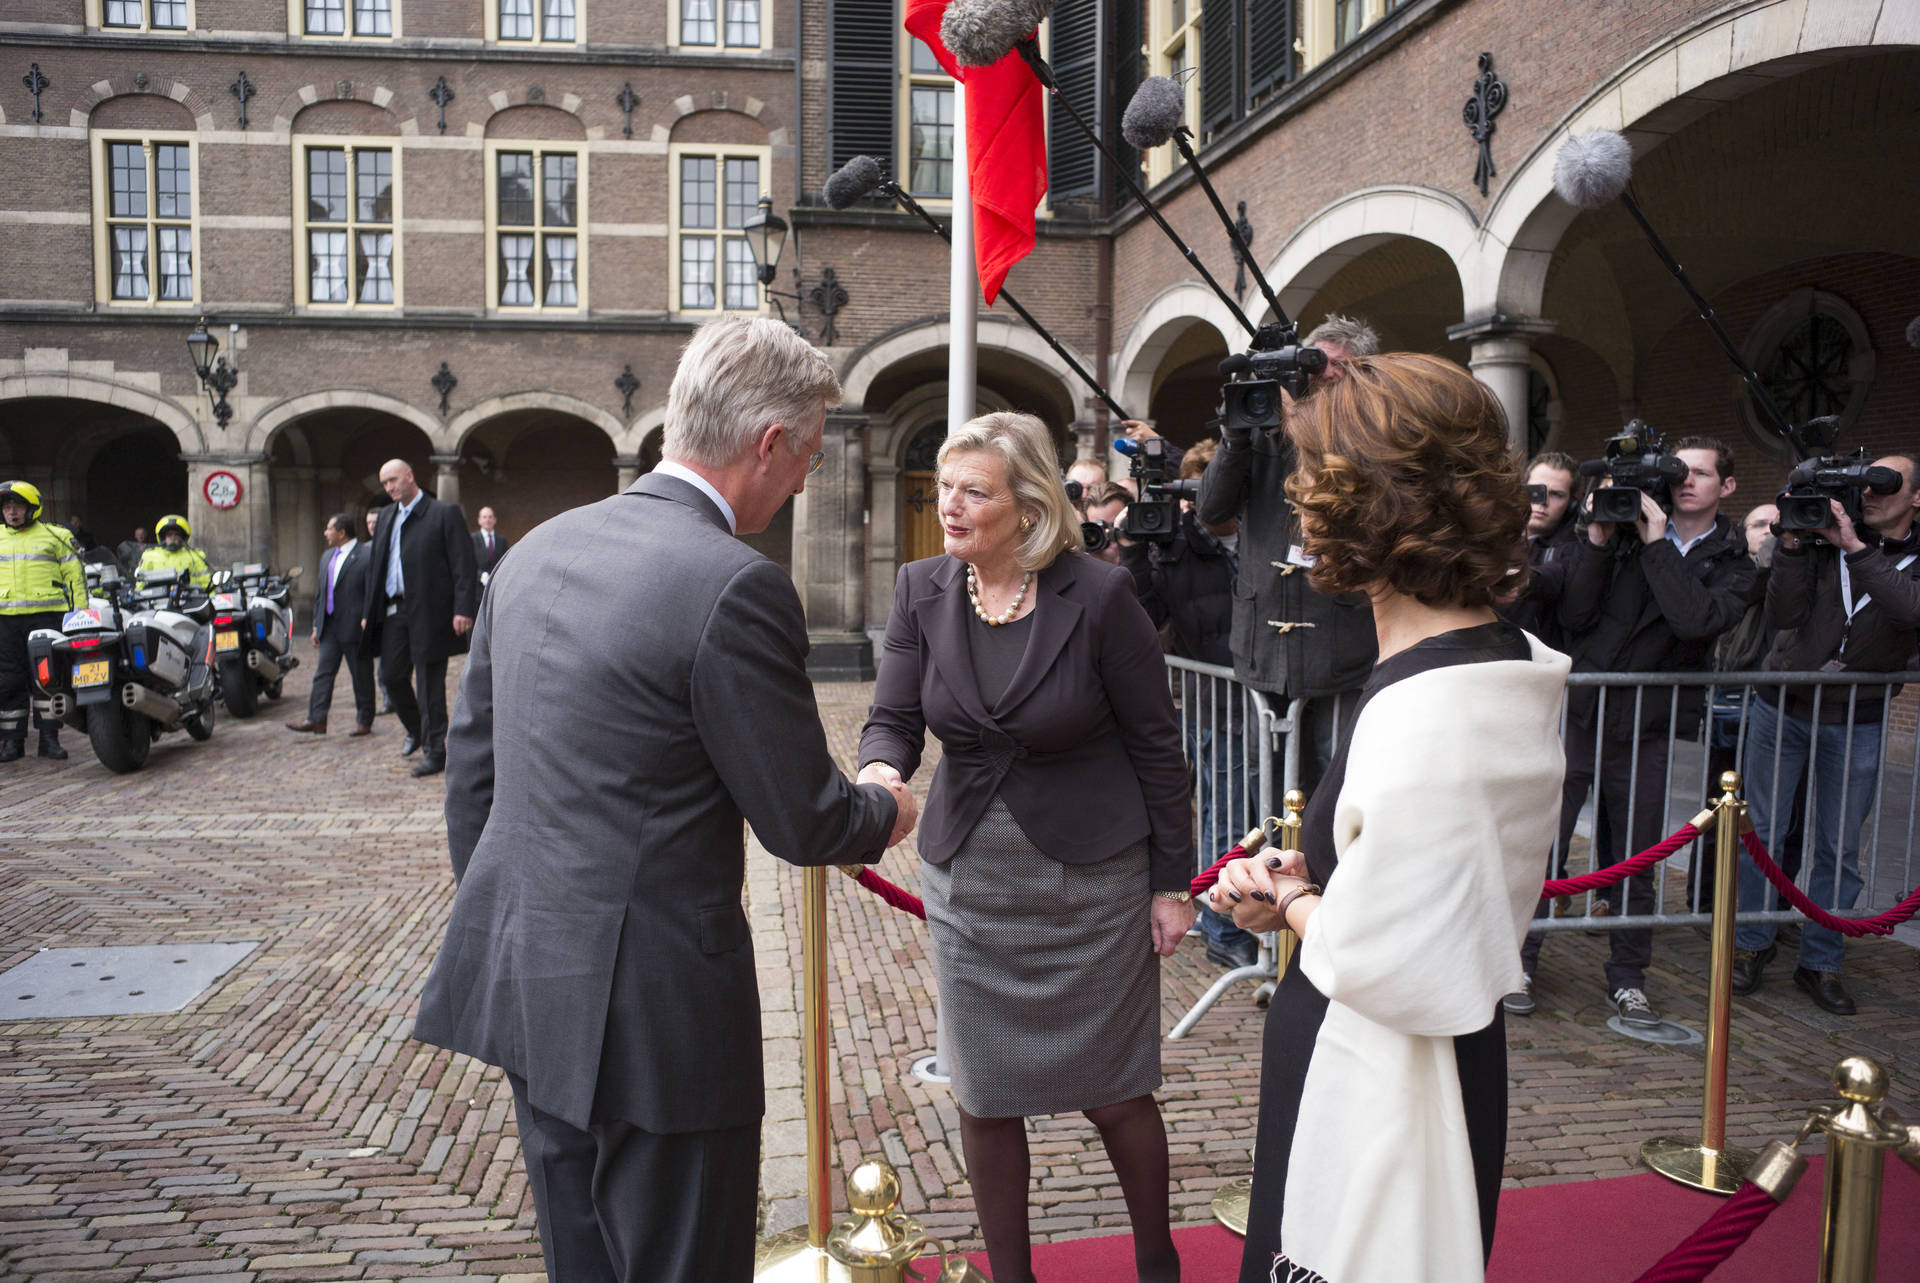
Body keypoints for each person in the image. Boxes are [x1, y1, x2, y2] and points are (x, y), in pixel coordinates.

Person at [412, 314, 916, 1283]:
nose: (808, 476)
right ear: (768, 442)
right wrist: (885, 802)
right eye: (807, 452)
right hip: (661, 1020)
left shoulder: (536, 550)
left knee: (582, 1261)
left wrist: (529, 922)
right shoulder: (734, 583)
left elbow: (473, 770)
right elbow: (805, 819)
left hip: (528, 982)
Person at [1206, 353, 1568, 1283]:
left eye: (1310, 480)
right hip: (1435, 1057)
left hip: (1379, 1078)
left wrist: (1290, 907)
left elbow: (1388, 962)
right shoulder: (1499, 660)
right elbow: (1428, 879)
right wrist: (1319, 881)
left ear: (1355, 505)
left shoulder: (1430, 709)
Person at [859, 411, 1192, 1283]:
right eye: (945, 487)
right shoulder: (921, 589)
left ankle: (1156, 1259)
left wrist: (1172, 883)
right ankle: (1013, 1276)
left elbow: (1158, 744)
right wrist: (878, 777)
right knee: (985, 1089)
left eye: (975, 490)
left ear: (1030, 504)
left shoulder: (1101, 594)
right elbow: (893, 718)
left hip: (1094, 878)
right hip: (972, 878)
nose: (951, 506)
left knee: (1117, 1091)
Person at [1525, 436, 1753, 1028]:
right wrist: (1600, 542)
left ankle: (1627, 979)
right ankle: (1519, 961)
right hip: (1580, 714)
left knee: (1638, 856)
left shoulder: (1734, 562)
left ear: (1725, 487)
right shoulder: (1619, 534)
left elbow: (1695, 620)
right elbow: (1575, 618)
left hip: (1648, 723)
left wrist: (1657, 546)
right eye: (1679, 471)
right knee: (1541, 844)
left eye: (1701, 474)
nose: (1686, 482)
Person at [1730, 456, 1920, 1015]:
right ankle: (1750, 945)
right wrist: (1792, 544)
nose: (1871, 494)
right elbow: (1784, 613)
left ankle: (1821, 961)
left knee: (1840, 848)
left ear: (1916, 499)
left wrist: (1856, 550)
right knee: (1761, 832)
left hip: (1857, 717)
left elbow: (1908, 609)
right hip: (1782, 707)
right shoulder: (1819, 543)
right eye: (1865, 483)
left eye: (1886, 486)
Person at [1198, 314, 1381, 796]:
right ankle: (1271, 866)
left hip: (1337, 644)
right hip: (1264, 644)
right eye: (1311, 364)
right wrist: (1236, 435)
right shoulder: (1262, 428)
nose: (1316, 376)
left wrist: (1296, 422)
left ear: (1359, 373)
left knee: (1334, 777)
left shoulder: (1371, 434)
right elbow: (1212, 508)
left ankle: (1330, 870)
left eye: (1329, 367)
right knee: (1266, 779)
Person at [1123, 439, 1258, 970]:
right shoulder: (1172, 549)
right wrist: (1137, 549)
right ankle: (1226, 931)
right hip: (1216, 704)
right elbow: (1139, 614)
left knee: (1277, 813)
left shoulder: (1268, 538)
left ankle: (1279, 922)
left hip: (1278, 706)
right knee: (1225, 817)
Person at [359, 460, 480, 778]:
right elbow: (377, 568)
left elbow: (463, 564)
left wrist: (463, 608)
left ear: (410, 476)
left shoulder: (443, 513)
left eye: (394, 480)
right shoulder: (386, 516)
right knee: (392, 676)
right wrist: (367, 613)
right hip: (394, 612)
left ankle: (435, 750)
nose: (389, 488)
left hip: (431, 612)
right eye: (384, 483)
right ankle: (417, 729)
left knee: (429, 685)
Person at [0, 481, 86, 762]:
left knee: (46, 680)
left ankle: (49, 739)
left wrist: (80, 617)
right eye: (7, 507)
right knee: (9, 681)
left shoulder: (56, 536)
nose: (12, 512)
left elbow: (76, 579)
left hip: (46, 618)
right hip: (6, 622)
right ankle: (12, 743)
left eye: (18, 506)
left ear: (32, 508)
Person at [285, 513, 374, 737]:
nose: (325, 533)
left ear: (342, 532)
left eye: (329, 529)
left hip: (355, 627)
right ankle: (316, 719)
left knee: (360, 675)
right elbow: (320, 594)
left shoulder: (366, 554)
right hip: (330, 627)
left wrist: (368, 617)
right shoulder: (326, 557)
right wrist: (317, 625)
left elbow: (372, 591)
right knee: (323, 673)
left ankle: (365, 720)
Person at [366, 507, 394, 719]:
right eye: (369, 523)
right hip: (375, 616)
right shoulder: (364, 550)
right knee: (381, 667)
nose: (373, 527)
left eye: (376, 522)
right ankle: (387, 699)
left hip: (395, 613)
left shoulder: (393, 546)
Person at [139, 514, 211, 587]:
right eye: (169, 535)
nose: (173, 538)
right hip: (156, 597)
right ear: (163, 537)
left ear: (182, 537)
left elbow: (206, 582)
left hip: (188, 596)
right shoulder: (149, 555)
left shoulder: (195, 555)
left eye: (176, 534)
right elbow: (140, 583)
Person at [471, 506, 510, 583]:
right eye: (484, 517)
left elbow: (506, 562)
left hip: (497, 584)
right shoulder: (472, 539)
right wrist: (481, 575)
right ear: (479, 520)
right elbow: (468, 563)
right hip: (478, 587)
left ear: (495, 520)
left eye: (490, 517)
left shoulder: (502, 540)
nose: (487, 520)